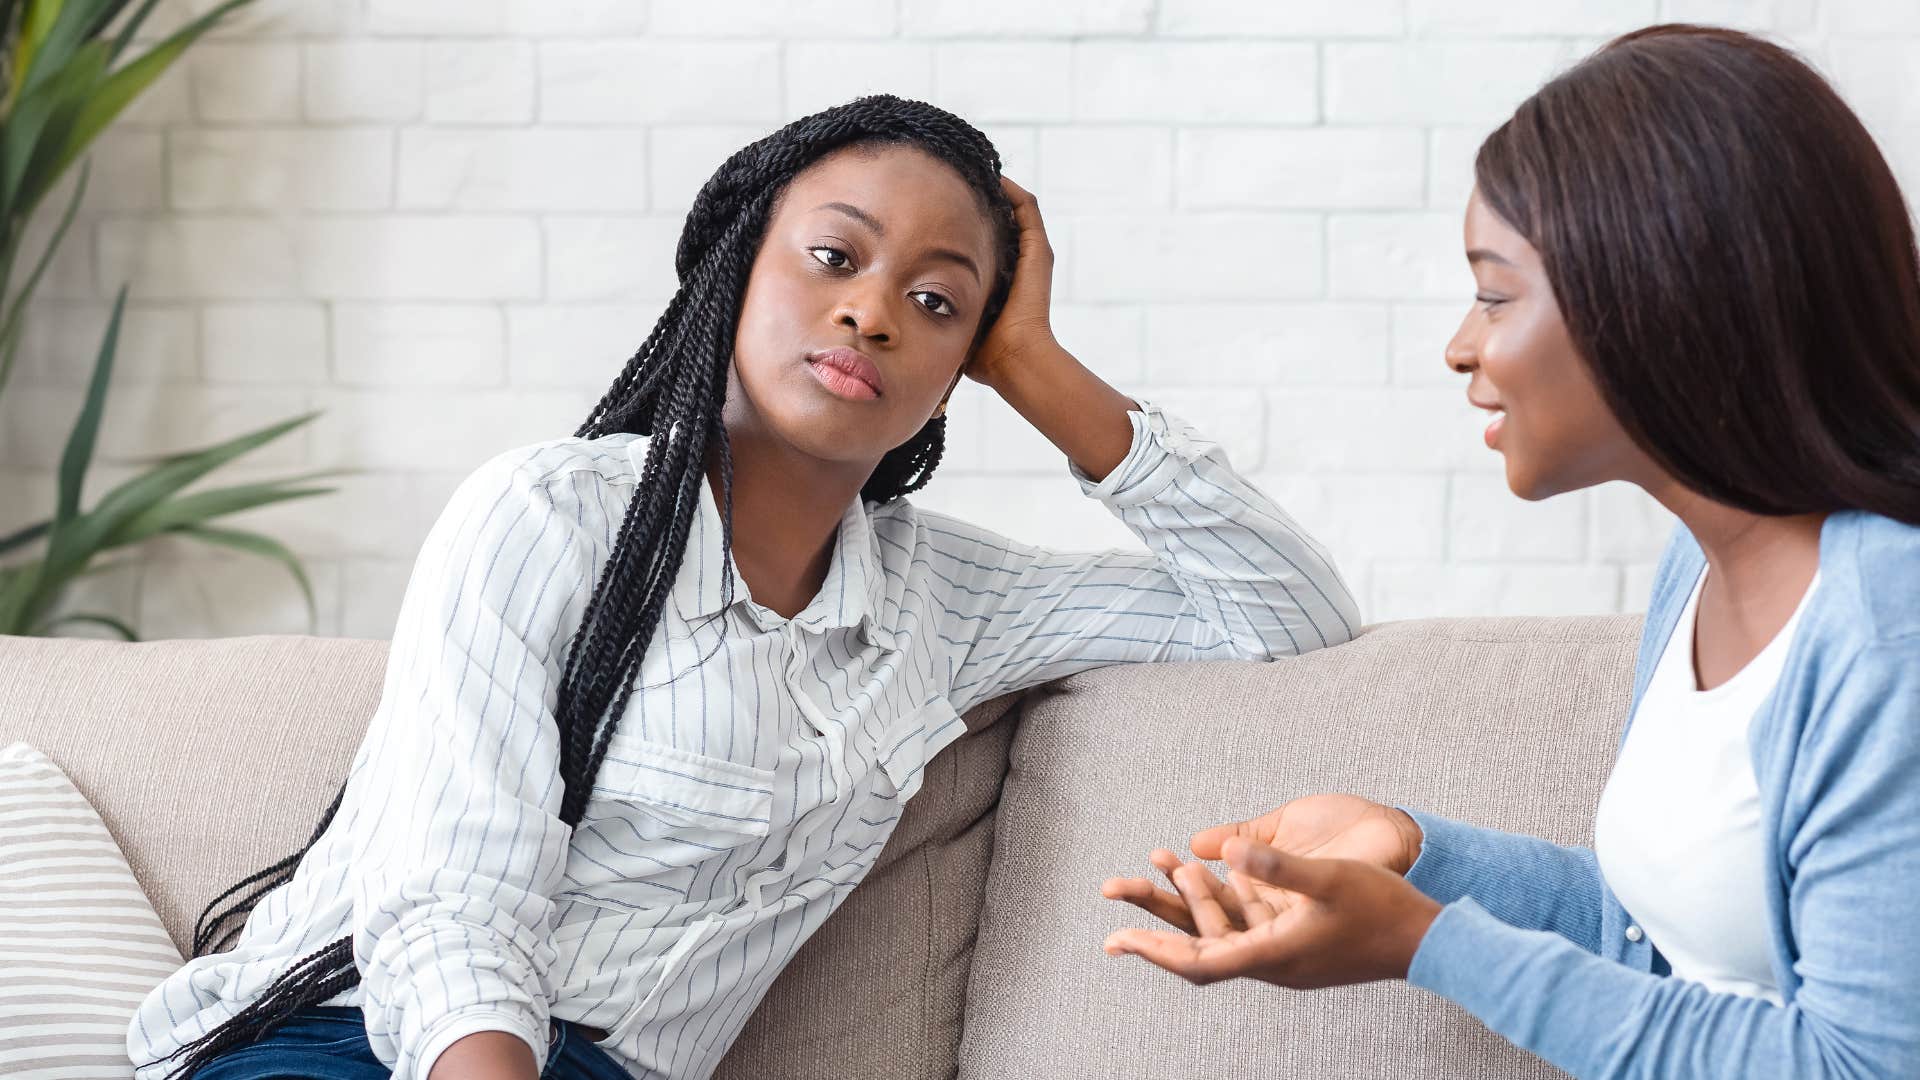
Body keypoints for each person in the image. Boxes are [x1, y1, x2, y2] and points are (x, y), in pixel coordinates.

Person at [130, 95, 1360, 1080]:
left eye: (938, 303)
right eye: (834, 255)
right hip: (374, 1044)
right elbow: (452, 898)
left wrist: (1036, 366)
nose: (873, 311)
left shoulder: (941, 601)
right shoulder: (551, 515)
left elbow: (1283, 614)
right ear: (736, 267)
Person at [1102, 25, 1920, 1078]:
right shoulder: (1703, 566)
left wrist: (1427, 944)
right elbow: (1667, 956)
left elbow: (1862, 1064)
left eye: (1493, 293)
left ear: (1658, 297)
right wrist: (1417, 859)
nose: (1461, 346)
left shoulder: (1884, 632)